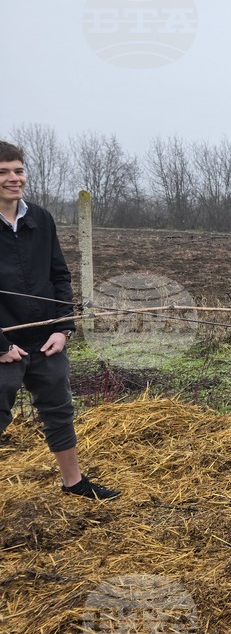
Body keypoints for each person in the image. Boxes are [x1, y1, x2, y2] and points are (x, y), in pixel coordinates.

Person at [0, 141, 119, 500]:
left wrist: (63, 327)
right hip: (4, 344)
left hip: (45, 340)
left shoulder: (41, 218)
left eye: (18, 170)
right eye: (3, 172)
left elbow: (59, 276)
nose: (13, 178)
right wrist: (0, 345)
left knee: (59, 410)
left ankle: (74, 484)